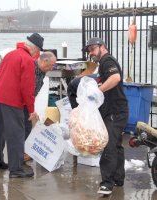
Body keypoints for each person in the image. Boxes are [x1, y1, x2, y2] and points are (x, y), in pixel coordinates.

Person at [0, 32, 44, 178]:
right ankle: (16, 169)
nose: (38, 55)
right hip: (12, 101)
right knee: (16, 135)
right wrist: (31, 110)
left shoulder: (10, 54)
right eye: (39, 52)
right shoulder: (27, 60)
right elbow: (27, 89)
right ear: (35, 49)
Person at [84, 37, 129, 195]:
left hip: (115, 111)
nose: (91, 53)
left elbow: (115, 78)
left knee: (108, 145)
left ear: (102, 47)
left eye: (93, 49)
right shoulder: (103, 62)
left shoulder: (107, 60)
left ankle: (107, 184)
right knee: (116, 144)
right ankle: (118, 178)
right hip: (117, 110)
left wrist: (98, 90)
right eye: (89, 50)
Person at [23, 51, 57, 162]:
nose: (52, 68)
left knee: (28, 127)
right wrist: (31, 110)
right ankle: (21, 154)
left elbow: (33, 92)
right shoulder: (31, 67)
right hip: (21, 102)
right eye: (51, 65)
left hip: (28, 102)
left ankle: (25, 152)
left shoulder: (42, 70)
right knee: (23, 128)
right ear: (45, 61)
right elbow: (26, 90)